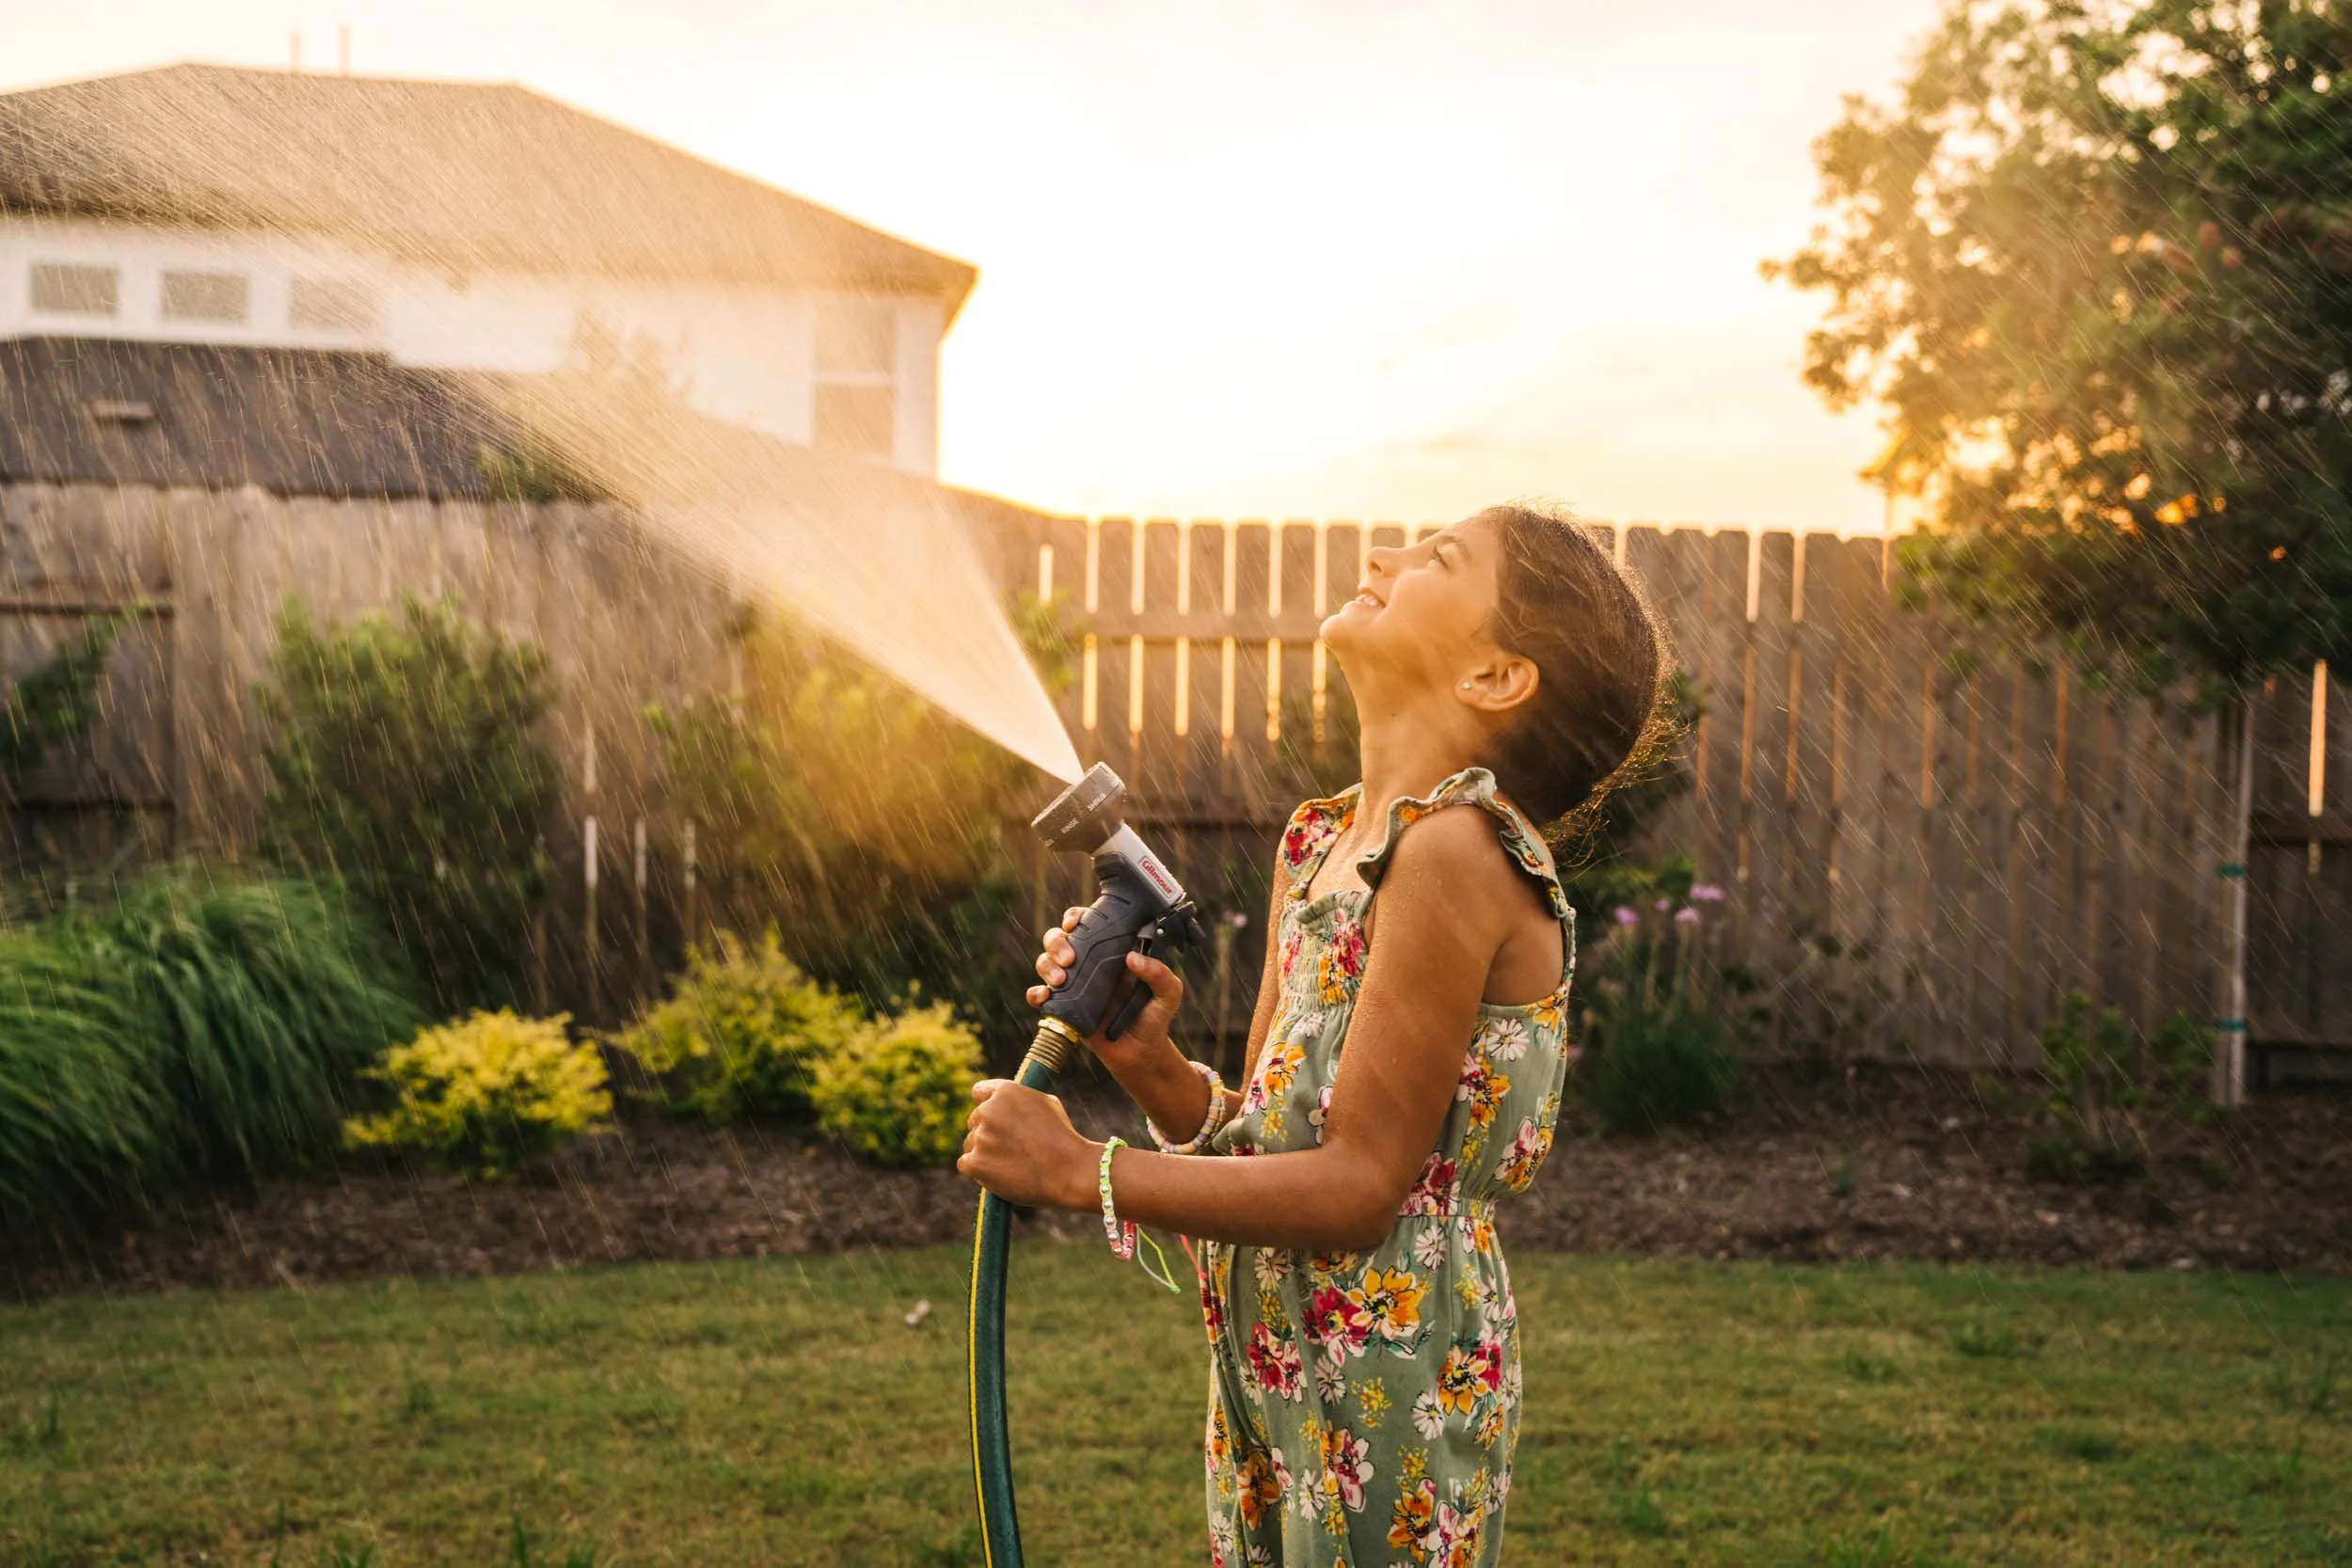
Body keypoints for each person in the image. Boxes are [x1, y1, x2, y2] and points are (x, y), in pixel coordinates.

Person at [959, 504, 1668, 1567]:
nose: (1384, 554)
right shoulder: (1326, 842)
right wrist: (1153, 1068)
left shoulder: (1452, 854)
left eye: (1438, 558)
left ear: (1493, 676)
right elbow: (1270, 1149)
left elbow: (1356, 1186)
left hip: (1389, 1384)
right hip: (1274, 1358)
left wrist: (1079, 1168)